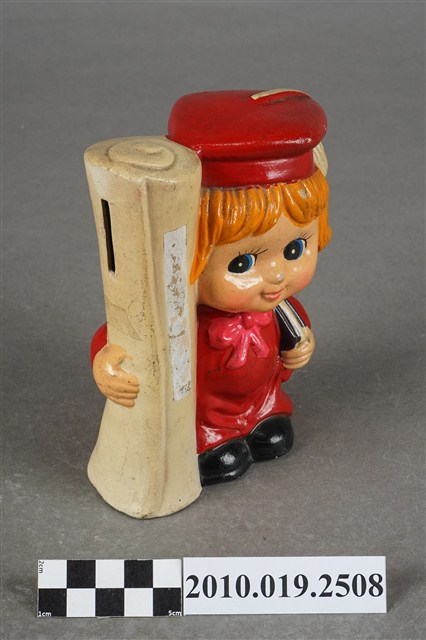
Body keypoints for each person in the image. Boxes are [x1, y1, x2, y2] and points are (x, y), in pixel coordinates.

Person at [91, 89, 331, 486]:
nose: (276, 275)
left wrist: (300, 343)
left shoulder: (275, 307)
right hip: (207, 413)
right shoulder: (180, 319)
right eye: (242, 263)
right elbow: (126, 335)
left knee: (271, 431)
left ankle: (262, 419)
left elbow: (293, 327)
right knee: (218, 445)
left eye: (294, 249)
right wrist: (108, 364)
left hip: (261, 397)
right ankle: (214, 440)